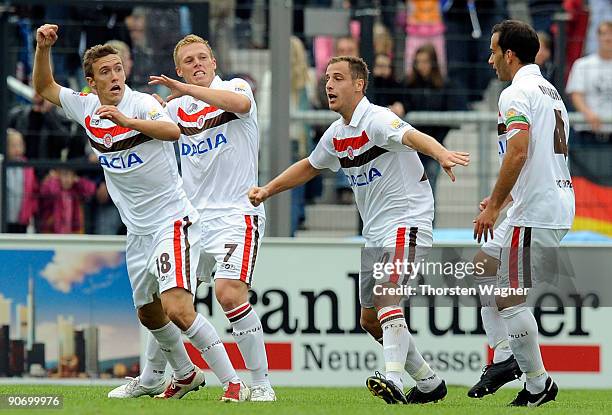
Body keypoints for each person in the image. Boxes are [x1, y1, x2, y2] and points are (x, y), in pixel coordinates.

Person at [33, 24, 244, 401]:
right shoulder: (86, 106)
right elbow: (45, 88)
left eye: (117, 69)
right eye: (105, 72)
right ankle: (183, 375)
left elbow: (172, 132)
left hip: (171, 222)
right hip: (138, 231)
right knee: (149, 314)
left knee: (178, 308)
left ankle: (234, 383)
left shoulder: (142, 104)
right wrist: (42, 48)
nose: (114, 76)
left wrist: (129, 123)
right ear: (91, 82)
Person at [248, 55, 470, 404]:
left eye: (337, 78)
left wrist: (440, 153)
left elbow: (412, 136)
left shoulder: (377, 119)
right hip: (375, 234)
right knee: (370, 320)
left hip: (407, 221)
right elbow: (309, 166)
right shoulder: (337, 134)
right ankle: (428, 382)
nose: (329, 85)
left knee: (387, 296)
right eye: (326, 79)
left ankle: (393, 378)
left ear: (359, 85)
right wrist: (266, 190)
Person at [116, 34, 273, 402]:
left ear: (214, 63)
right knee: (167, 300)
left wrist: (184, 90)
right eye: (189, 61)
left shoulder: (234, 88)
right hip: (191, 218)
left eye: (203, 58)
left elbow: (238, 103)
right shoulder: (174, 110)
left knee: (229, 292)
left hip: (237, 212)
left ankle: (262, 384)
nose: (198, 64)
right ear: (178, 68)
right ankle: (155, 376)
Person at [473, 20, 574, 407]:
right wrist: (505, 195)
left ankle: (537, 383)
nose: (489, 59)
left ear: (509, 54)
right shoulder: (550, 91)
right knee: (482, 267)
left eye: (494, 51)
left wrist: (497, 206)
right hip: (539, 201)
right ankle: (503, 356)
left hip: (536, 210)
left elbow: (518, 150)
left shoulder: (516, 92)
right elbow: (540, 159)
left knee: (509, 300)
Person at [403, 43, 464, 196]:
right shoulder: (408, 85)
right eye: (418, 62)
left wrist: (435, 141)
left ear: (433, 63)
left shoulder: (445, 86)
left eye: (425, 61)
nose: (421, 66)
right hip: (411, 149)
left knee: (429, 195)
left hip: (434, 148)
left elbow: (449, 116)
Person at [6, 129, 38, 233]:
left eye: (20, 145)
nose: (17, 149)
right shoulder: (3, 165)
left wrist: (31, 209)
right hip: (5, 216)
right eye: (13, 145)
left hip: (23, 217)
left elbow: (33, 189)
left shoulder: (27, 167)